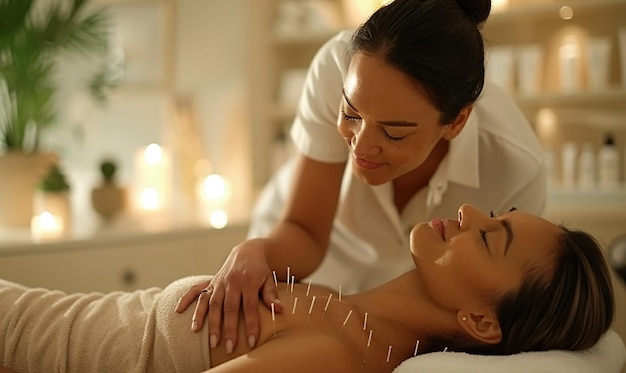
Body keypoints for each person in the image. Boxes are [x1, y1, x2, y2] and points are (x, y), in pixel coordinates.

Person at [179, 0, 548, 353]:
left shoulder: (515, 168)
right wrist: (254, 251)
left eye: (394, 132)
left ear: (456, 122)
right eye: (351, 115)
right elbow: (304, 231)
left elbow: (495, 305)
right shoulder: (334, 69)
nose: (361, 147)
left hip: (404, 304)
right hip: (297, 251)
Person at [0, 206, 615, 373]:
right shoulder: (349, 318)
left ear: (483, 322)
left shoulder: (339, 356)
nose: (469, 211)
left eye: (490, 238)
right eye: (494, 213)